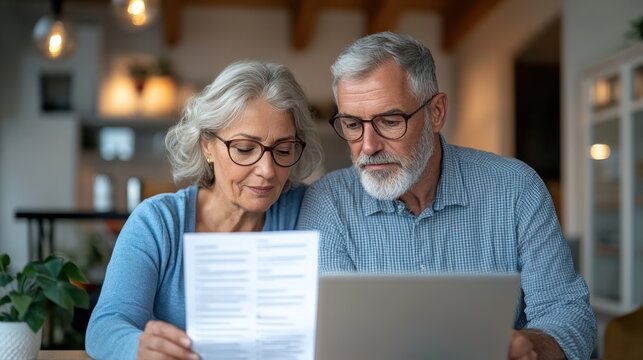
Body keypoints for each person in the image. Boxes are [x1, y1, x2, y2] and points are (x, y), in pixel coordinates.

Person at [297, 32, 597, 360]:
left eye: (390, 121)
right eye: (353, 124)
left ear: (436, 113)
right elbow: (334, 338)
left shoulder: (516, 189)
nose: (368, 146)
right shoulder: (328, 203)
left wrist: (532, 347)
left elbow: (568, 312)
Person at [86, 60, 322, 360]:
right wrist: (138, 346)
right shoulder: (158, 223)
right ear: (207, 145)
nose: (267, 170)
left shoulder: (307, 211)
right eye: (245, 149)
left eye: (283, 149)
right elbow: (105, 325)